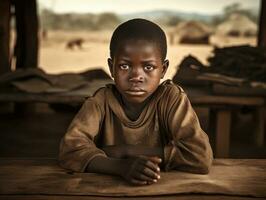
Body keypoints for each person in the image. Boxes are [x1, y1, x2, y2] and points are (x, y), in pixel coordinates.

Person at [59, 18, 213, 185]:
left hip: (163, 188)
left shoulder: (171, 99)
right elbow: (70, 150)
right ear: (111, 67)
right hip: (106, 190)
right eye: (124, 66)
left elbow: (200, 156)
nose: (136, 77)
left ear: (163, 69)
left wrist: (127, 151)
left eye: (148, 67)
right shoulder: (100, 102)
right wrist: (120, 166)